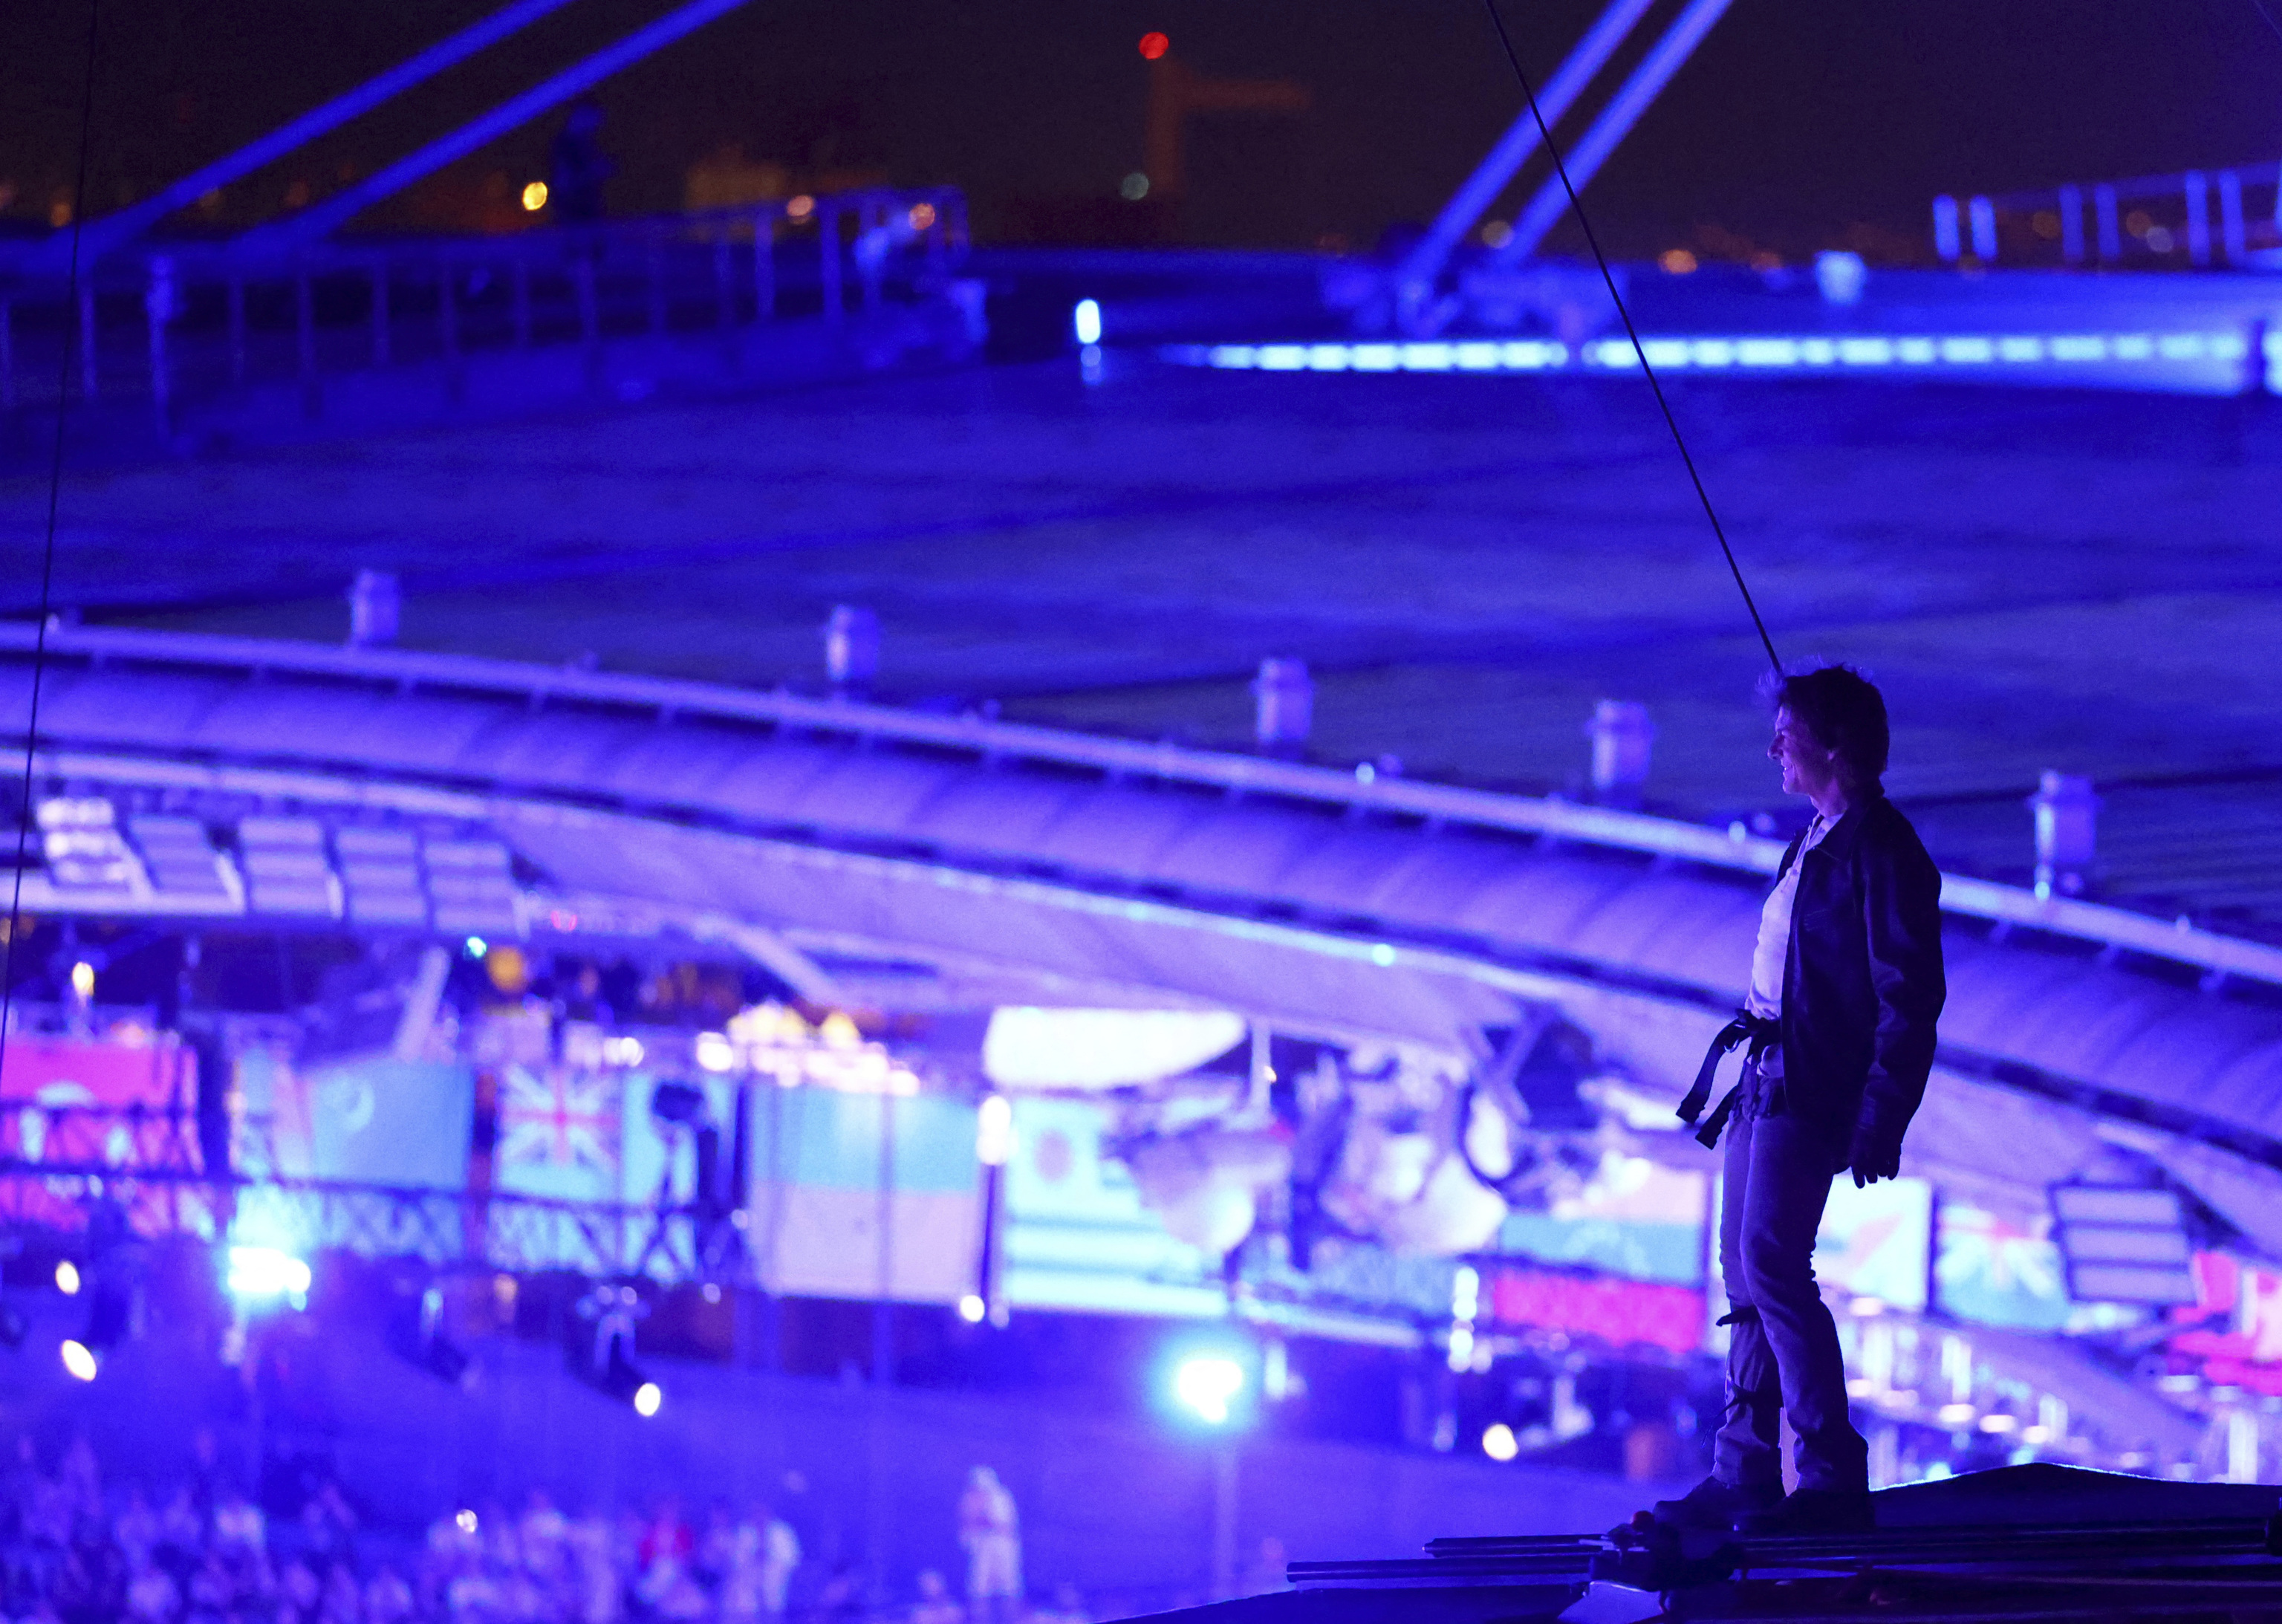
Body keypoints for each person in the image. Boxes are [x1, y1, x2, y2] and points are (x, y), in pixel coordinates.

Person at [1657, 664, 1944, 1536]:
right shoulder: (1815, 838)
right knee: (1745, 1271)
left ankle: (1828, 1474)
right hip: (1762, 1073)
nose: (1774, 746)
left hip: (1809, 1082)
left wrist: (1880, 1115)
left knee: (1776, 1265)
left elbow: (1909, 996)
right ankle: (1744, 1468)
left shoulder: (1883, 851)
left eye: (1788, 731)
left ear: (1833, 745)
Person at [956, 1467, 1022, 1624]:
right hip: (980, 1553)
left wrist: (981, 1515)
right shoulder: (968, 1499)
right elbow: (965, 1532)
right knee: (978, 1595)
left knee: (1009, 1593)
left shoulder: (1002, 1498)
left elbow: (1003, 1526)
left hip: (1003, 1553)